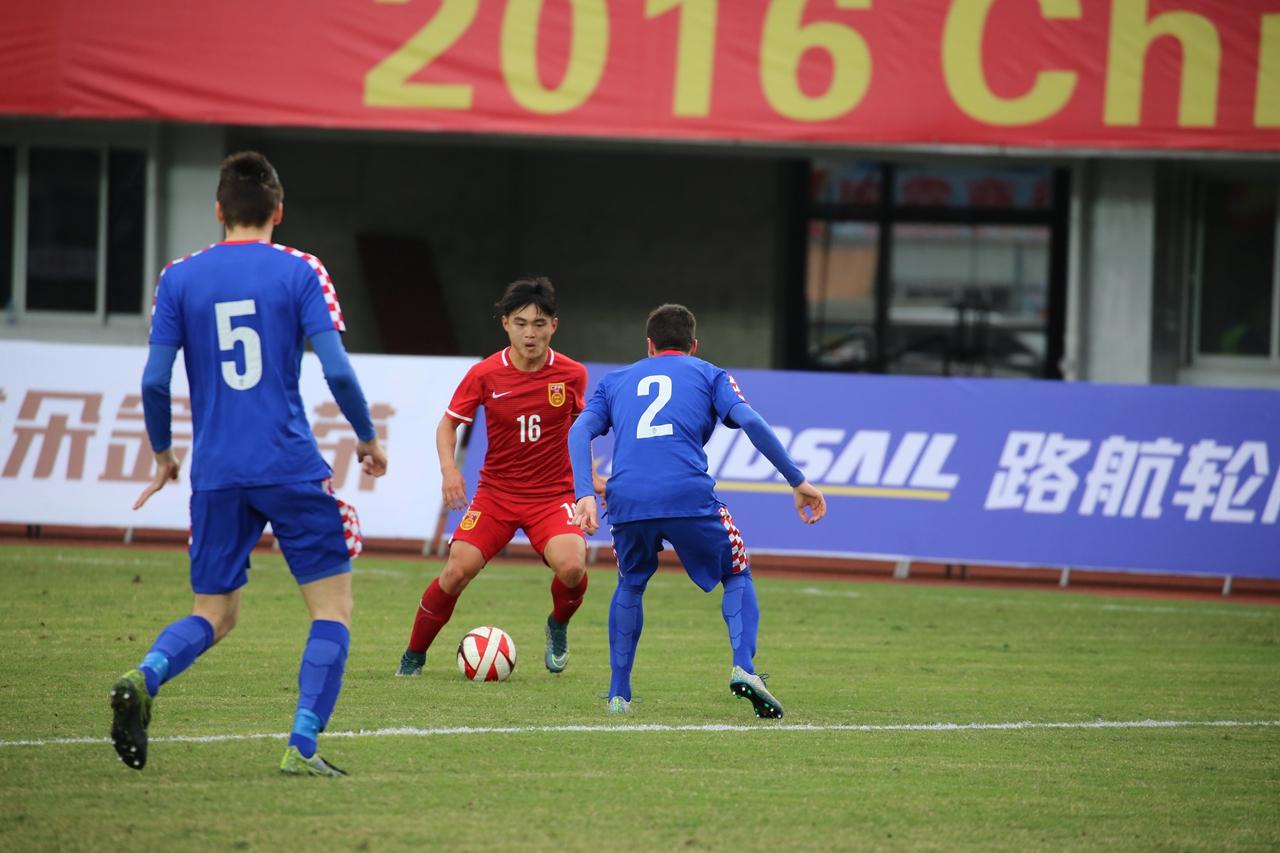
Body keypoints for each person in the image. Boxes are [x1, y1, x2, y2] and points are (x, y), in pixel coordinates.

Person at [112, 151, 387, 778]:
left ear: (218, 212)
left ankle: (145, 675)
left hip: (215, 473)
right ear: (278, 212)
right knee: (331, 609)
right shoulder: (301, 271)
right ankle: (303, 745)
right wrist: (367, 438)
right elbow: (337, 368)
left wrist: (163, 454)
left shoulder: (179, 277)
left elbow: (155, 380)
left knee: (214, 612)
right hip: (288, 463)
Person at [568, 304, 826, 717]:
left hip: (626, 498)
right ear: (694, 345)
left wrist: (584, 492)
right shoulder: (710, 374)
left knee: (631, 583)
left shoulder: (615, 381)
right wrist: (797, 480)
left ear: (649, 345)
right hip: (687, 495)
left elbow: (580, 429)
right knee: (736, 570)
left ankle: (619, 694)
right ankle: (744, 667)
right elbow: (750, 421)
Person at [397, 277, 598, 677]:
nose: (530, 333)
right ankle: (413, 656)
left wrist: (587, 485)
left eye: (539, 324)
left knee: (573, 566)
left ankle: (557, 625)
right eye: (521, 323)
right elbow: (446, 426)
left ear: (553, 327)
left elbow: (581, 432)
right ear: (506, 324)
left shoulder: (572, 374)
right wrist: (450, 470)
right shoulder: (485, 373)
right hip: (497, 495)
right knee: (456, 570)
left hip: (551, 495)